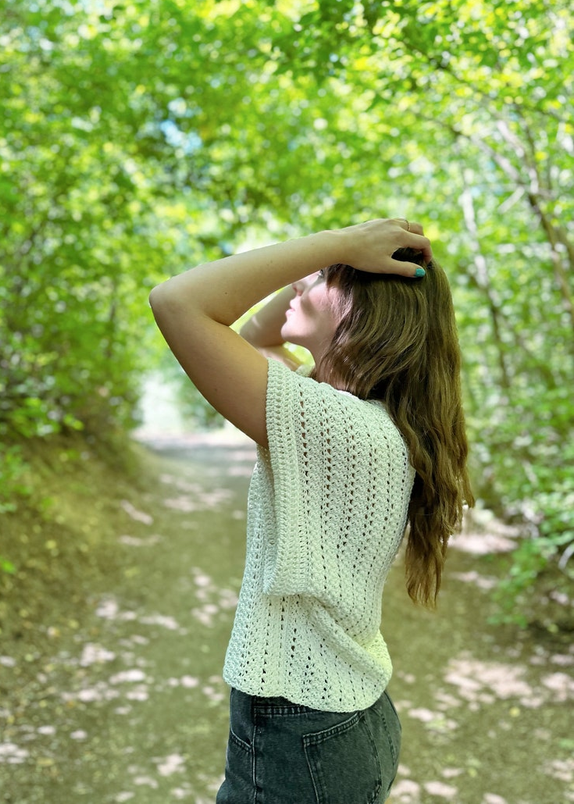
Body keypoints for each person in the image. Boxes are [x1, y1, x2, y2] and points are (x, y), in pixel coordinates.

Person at [149, 218, 475, 804]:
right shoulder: (353, 421)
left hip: (299, 732)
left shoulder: (335, 428)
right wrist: (327, 269)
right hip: (335, 720)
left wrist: (341, 245)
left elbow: (178, 302)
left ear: (363, 308)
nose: (302, 278)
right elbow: (254, 335)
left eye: (323, 277)